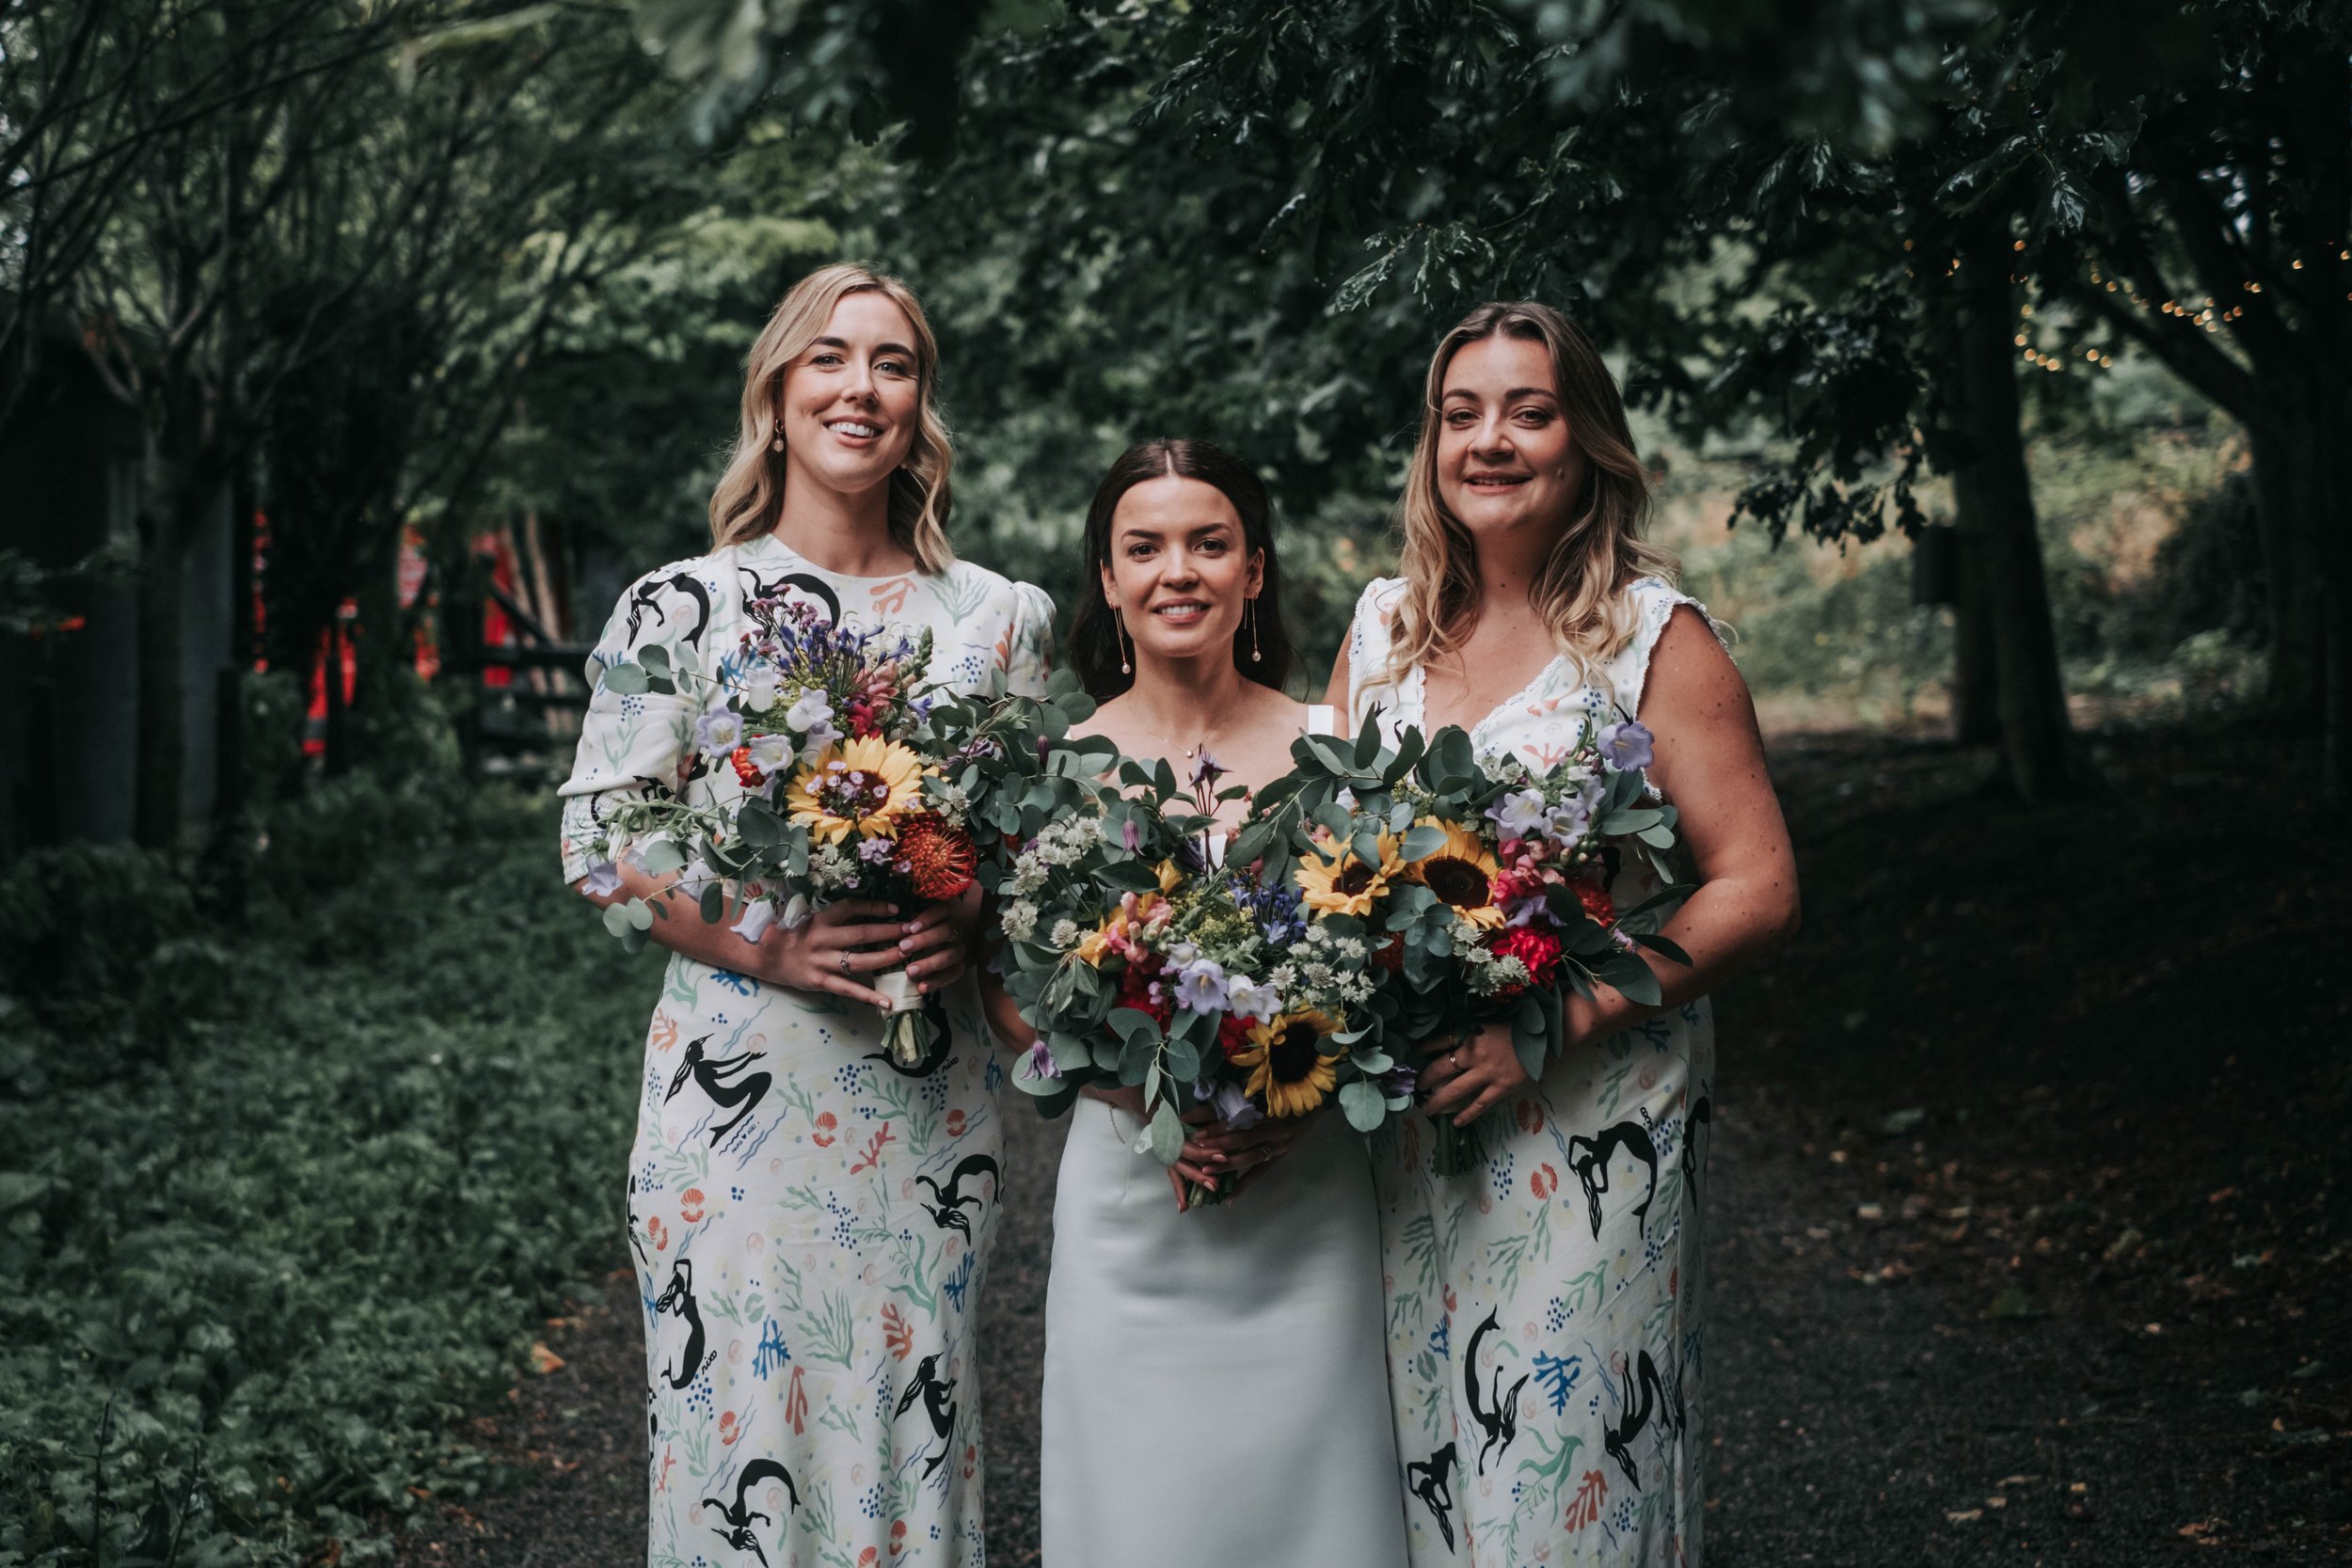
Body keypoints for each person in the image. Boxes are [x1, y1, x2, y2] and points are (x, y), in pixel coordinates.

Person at [558, 262, 1055, 1568]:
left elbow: (1044, 849)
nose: (861, 386)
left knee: (907, 1422)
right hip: (738, 1106)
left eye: (893, 363)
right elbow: (597, 841)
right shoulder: (684, 607)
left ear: (920, 408)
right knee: (742, 1428)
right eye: (829, 358)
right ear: (777, 396)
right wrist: (753, 941)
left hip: (921, 1102)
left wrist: (982, 910)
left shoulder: (1000, 619)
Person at [1327, 303, 1800, 1566]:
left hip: (1588, 1119)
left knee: (1562, 1465)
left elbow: (1754, 884)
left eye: (1528, 412)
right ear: (1430, 445)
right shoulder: (1381, 630)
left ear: (1585, 438)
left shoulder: (1655, 639)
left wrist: (1561, 1022)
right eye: (1460, 413)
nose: (1491, 439)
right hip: (1411, 1123)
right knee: (1420, 1461)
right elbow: (1321, 864)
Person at [985, 438, 1410, 1568]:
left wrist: (1294, 1107)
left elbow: (1393, 975)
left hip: (1306, 1189)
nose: (1180, 569)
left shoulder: (1338, 752)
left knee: (1321, 1508)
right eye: (1146, 546)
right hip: (1133, 1200)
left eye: (1209, 543)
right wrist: (1149, 1099)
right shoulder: (1053, 765)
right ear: (1110, 580)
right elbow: (1008, 989)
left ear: (1254, 570)